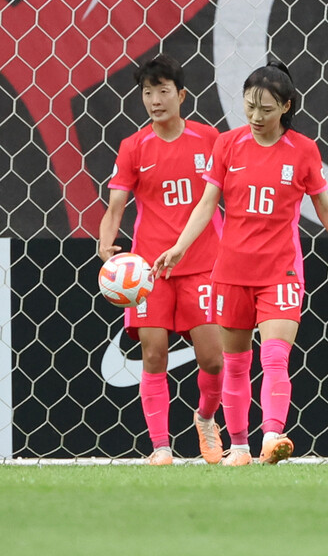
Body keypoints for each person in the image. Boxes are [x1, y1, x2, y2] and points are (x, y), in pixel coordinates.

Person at [153, 61, 328, 466]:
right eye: (250, 106)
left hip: (281, 270)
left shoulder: (303, 150)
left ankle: (272, 436)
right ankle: (240, 447)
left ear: (286, 107)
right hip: (232, 272)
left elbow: (324, 206)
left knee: (274, 357)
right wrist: (181, 247)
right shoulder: (228, 145)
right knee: (235, 364)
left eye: (266, 109)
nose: (256, 117)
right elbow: (207, 203)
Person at [98, 54, 225, 466]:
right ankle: (160, 448)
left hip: (204, 264)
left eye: (163, 91)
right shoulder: (133, 146)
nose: (155, 99)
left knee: (213, 359)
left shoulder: (211, 141)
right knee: (153, 354)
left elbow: (232, 196)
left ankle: (205, 418)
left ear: (182, 95)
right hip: (149, 272)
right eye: (148, 92)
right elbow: (116, 205)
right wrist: (106, 243)